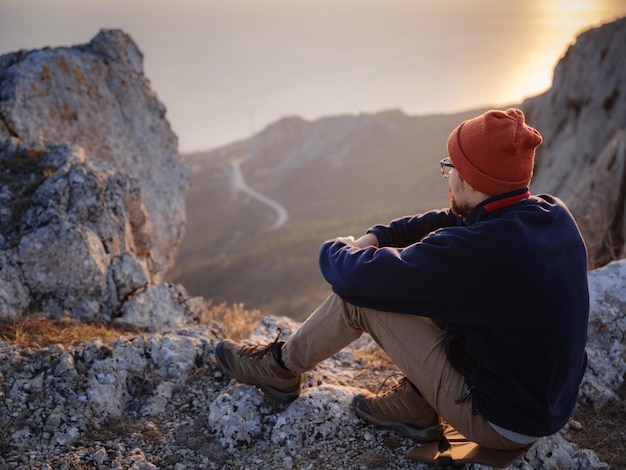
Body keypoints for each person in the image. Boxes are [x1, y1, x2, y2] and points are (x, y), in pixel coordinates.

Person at [216, 108, 589, 450]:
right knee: (444, 297)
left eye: (452, 167)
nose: (448, 175)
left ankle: (279, 369)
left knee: (358, 300)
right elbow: (450, 219)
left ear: (473, 180)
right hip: (544, 402)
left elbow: (357, 280)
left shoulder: (475, 253)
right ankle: (416, 402)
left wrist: (340, 248)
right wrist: (381, 235)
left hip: (502, 421)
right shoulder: (550, 213)